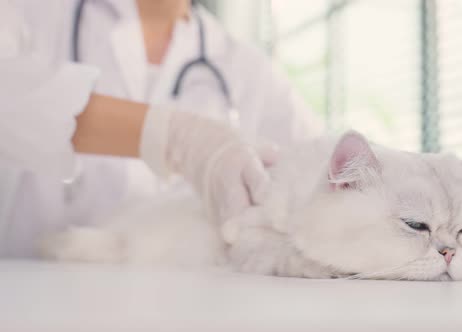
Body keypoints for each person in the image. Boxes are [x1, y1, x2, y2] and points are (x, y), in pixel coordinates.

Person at [0, 0, 321, 257]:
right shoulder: (30, 12)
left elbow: (325, 168)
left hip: (175, 307)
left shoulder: (246, 69)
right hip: (27, 298)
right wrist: (178, 138)